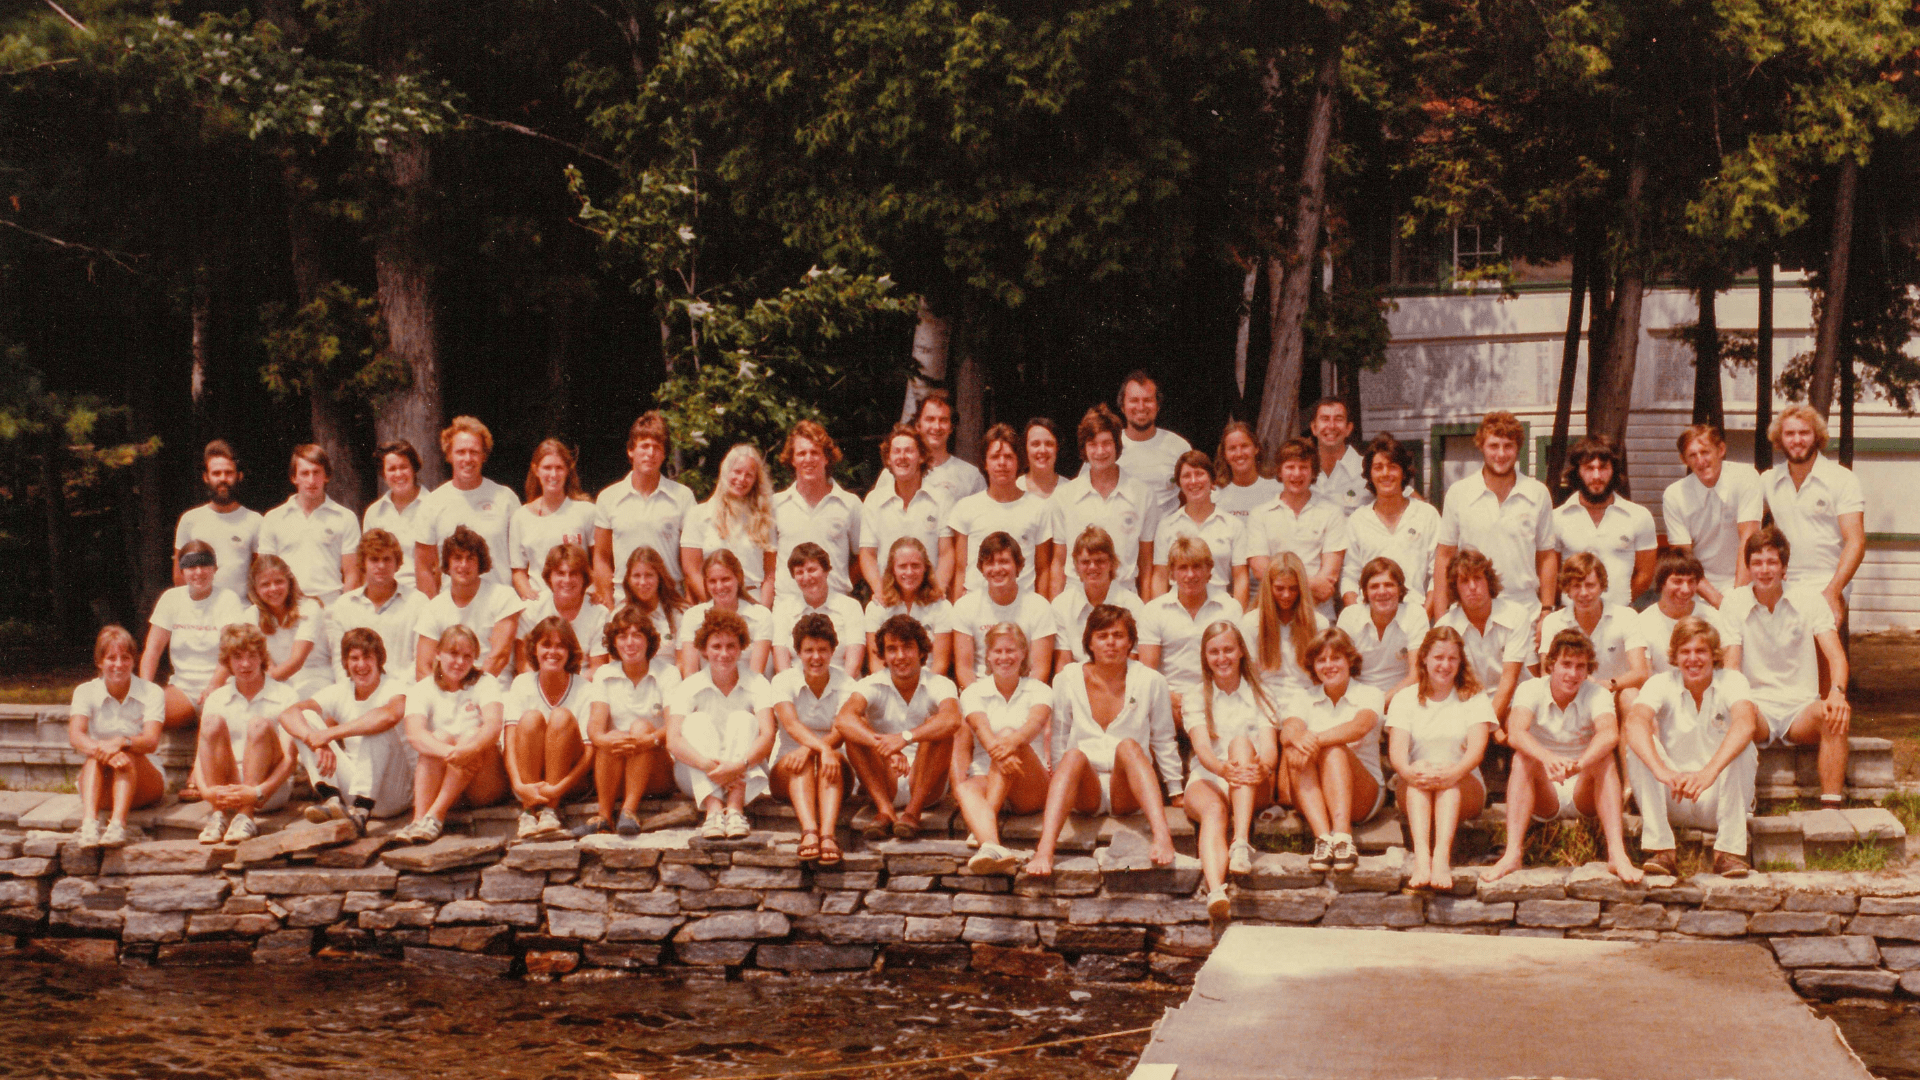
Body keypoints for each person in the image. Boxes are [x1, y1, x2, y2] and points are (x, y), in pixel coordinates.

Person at [1026, 605, 1182, 875]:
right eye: (1102, 635)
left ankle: (1162, 837)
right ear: (1089, 642)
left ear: (1131, 641)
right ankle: (1044, 850)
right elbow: (1060, 735)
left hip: (1128, 787)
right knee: (1073, 754)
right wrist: (1060, 786)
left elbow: (1164, 738)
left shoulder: (1151, 680)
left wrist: (1176, 789)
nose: (1111, 642)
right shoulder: (1067, 679)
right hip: (1086, 789)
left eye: (1118, 635)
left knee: (1129, 746)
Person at [1482, 629, 1641, 884]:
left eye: (1581, 666)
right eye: (1566, 664)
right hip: (1545, 789)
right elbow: (1516, 733)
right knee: (1522, 759)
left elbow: (1609, 734)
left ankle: (1617, 854)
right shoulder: (1530, 688)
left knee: (1604, 759)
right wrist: (1547, 759)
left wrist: (1579, 765)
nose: (1573, 673)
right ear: (1551, 664)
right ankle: (1512, 853)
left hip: (1582, 786)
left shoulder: (1597, 693)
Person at [1721, 526, 1852, 807]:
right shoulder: (1733, 601)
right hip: (1758, 709)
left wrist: (1837, 693)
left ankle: (1831, 808)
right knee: (1735, 716)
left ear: (1784, 567)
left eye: (1772, 562)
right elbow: (1731, 667)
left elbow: (1837, 657)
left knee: (1835, 714)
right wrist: (1739, 705)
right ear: (1748, 567)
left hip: (1800, 708)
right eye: (1756, 563)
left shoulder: (1810, 599)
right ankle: (1736, 808)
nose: (1764, 570)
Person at [1623, 617, 1761, 878]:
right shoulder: (1661, 682)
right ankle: (1662, 849)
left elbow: (1745, 723)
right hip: (1674, 793)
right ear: (1674, 656)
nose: (1693, 659)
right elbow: (1635, 721)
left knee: (1743, 746)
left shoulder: (1733, 681)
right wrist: (1662, 771)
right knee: (1639, 744)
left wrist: (1708, 773)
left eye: (1700, 651)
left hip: (1718, 797)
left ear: (1714, 655)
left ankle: (1728, 853)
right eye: (1685, 652)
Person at [1182, 621, 1281, 919]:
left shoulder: (1261, 694)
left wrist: (1262, 768)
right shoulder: (1195, 696)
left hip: (1252, 779)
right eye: (1214, 652)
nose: (1222, 657)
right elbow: (1202, 750)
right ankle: (1215, 892)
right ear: (1205, 657)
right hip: (1210, 775)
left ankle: (1240, 842)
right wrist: (1224, 771)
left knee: (1240, 743)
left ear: (1240, 652)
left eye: (1228, 649)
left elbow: (1269, 750)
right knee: (1213, 811)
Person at [1386, 627, 1496, 891]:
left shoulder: (1474, 696)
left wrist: (1454, 772)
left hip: (1464, 783)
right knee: (1419, 771)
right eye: (1438, 657)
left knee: (1448, 779)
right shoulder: (1404, 698)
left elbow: (1476, 751)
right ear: (1424, 658)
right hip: (1416, 783)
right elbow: (1397, 754)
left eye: (1452, 659)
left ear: (1460, 662)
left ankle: (1442, 860)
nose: (1445, 665)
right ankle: (1423, 858)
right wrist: (1410, 771)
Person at [834, 614, 961, 840]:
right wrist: (886, 746)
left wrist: (905, 738)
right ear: (883, 654)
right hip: (886, 779)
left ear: (921, 651)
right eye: (892, 649)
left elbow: (952, 720)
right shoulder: (871, 683)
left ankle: (913, 812)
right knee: (855, 730)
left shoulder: (940, 684)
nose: (900, 656)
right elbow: (843, 719)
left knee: (938, 725)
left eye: (907, 647)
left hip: (927, 784)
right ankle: (886, 810)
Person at [278, 627, 413, 833]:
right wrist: (316, 742)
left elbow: (389, 716)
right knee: (306, 717)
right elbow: (287, 714)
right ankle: (332, 798)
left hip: (394, 793)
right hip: (355, 789)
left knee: (376, 727)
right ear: (346, 663)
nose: (361, 665)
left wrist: (330, 734)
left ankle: (361, 813)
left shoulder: (395, 687)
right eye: (354, 658)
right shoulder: (341, 690)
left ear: (379, 660)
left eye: (368, 657)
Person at [1431, 411, 1556, 625]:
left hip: (1525, 611)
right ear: (1481, 446)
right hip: (1470, 610)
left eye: (1508, 446)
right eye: (1493, 445)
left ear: (1518, 449)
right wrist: (1442, 619)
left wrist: (1546, 611)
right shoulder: (1459, 493)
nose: (1501, 453)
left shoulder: (1538, 493)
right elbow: (1444, 556)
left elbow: (1546, 556)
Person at [1278, 629, 1385, 872]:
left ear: (1349, 660)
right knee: (1294, 749)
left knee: (1333, 750)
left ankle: (1343, 837)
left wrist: (1312, 740)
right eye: (1321, 660)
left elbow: (1359, 727)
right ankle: (1324, 839)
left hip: (1362, 793)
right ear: (1313, 666)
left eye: (1336, 658)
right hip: (1314, 795)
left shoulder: (1370, 694)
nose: (1329, 665)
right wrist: (1296, 739)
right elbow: (1288, 732)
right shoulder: (1303, 697)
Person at [667, 609, 778, 840]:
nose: (724, 653)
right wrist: (710, 767)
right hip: (697, 772)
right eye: (716, 646)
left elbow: (767, 735)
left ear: (741, 648)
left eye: (731, 646)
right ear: (704, 650)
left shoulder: (757, 683)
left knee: (744, 719)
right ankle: (714, 811)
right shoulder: (689, 686)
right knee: (697, 721)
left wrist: (738, 766)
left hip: (744, 772)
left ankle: (736, 810)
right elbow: (673, 739)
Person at [397, 624, 511, 844]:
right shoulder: (421, 689)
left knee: (472, 736)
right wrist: (453, 752)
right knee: (437, 738)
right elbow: (415, 734)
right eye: (453, 653)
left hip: (484, 784)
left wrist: (469, 749)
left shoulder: (486, 682)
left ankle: (435, 815)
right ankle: (419, 819)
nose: (460, 662)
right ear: (438, 653)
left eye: (467, 656)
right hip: (449, 778)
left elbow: (493, 726)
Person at [954, 623, 1052, 876]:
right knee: (965, 787)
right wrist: (1001, 752)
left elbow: (1033, 725)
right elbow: (981, 727)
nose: (1004, 657)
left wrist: (1010, 745)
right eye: (997, 651)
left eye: (1011, 650)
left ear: (1022, 654)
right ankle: (992, 847)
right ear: (987, 655)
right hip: (987, 777)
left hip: (1027, 781)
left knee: (1010, 735)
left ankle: (986, 821)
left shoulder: (1040, 690)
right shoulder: (973, 692)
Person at [577, 606, 679, 837]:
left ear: (648, 640)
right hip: (616, 771)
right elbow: (595, 728)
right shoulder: (604, 673)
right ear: (614, 642)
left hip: (657, 771)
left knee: (641, 726)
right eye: (622, 636)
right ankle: (604, 817)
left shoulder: (668, 672)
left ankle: (629, 811)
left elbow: (674, 725)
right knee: (609, 737)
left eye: (637, 635)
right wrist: (607, 740)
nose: (629, 643)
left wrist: (648, 740)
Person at [194, 625, 301, 845]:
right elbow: (200, 755)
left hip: (267, 791)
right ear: (228, 662)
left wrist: (258, 793)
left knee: (258, 725)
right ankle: (218, 816)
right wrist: (207, 793)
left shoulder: (286, 695)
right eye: (237, 657)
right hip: (226, 790)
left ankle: (246, 816)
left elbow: (290, 761)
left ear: (262, 658)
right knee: (212, 723)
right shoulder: (217, 698)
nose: (245, 664)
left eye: (252, 656)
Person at [1761, 404, 1866, 623]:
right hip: (1783, 582)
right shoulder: (1768, 481)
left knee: (1821, 648)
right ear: (1779, 439)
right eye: (1789, 433)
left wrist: (1832, 592)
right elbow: (1744, 527)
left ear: (1816, 437)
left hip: (1827, 581)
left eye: (1804, 433)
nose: (1797, 440)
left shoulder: (1842, 479)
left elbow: (1855, 542)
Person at [68, 626, 166, 848]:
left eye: (125, 657)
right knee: (94, 756)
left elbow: (151, 741)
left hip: (145, 782)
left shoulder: (152, 692)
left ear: (133, 661)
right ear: (100, 662)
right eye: (111, 658)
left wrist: (122, 742)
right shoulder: (85, 691)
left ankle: (117, 826)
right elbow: (76, 735)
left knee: (126, 756)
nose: (118, 664)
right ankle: (90, 824)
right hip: (100, 782)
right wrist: (106, 752)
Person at [769, 613, 855, 864]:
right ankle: (809, 832)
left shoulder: (847, 683)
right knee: (802, 762)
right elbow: (790, 723)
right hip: (789, 768)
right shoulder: (783, 680)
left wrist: (812, 750)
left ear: (832, 651)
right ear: (797, 652)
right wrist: (818, 750)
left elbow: (842, 729)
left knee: (825, 759)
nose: (816, 657)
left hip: (832, 767)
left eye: (822, 650)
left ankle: (827, 835)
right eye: (808, 650)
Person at [1051, 404, 1160, 597]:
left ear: (1117, 445)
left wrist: (1145, 612)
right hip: (1077, 595)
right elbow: (1058, 562)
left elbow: (1146, 564)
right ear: (1084, 448)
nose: (1100, 451)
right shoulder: (1064, 496)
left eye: (1106, 443)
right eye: (1092, 444)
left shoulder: (1143, 495)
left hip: (1124, 596)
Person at [503, 616, 596, 841]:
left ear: (570, 651)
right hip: (530, 781)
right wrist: (518, 785)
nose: (552, 652)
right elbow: (509, 744)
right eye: (546, 644)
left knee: (561, 716)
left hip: (570, 783)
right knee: (531, 718)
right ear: (534, 648)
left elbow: (590, 753)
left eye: (560, 646)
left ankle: (550, 811)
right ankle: (528, 812)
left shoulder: (585, 689)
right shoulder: (521, 683)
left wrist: (557, 789)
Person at [592, 412, 697, 604]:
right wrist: (608, 606)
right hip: (624, 602)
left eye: (657, 448)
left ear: (664, 454)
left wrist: (688, 606)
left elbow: (691, 563)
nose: (650, 453)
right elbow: (601, 558)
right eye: (644, 446)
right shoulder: (608, 498)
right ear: (631, 451)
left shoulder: (683, 497)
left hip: (671, 602)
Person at [141, 541, 248, 728]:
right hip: (182, 689)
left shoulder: (228, 599)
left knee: (213, 724)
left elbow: (230, 650)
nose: (198, 572)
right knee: (142, 715)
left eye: (204, 565)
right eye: (191, 566)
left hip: (222, 687)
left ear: (215, 568)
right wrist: (144, 690)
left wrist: (213, 686)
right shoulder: (170, 599)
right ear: (182, 571)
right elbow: (152, 651)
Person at [1139, 536, 1243, 722]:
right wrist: (1168, 698)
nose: (1190, 575)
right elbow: (1148, 672)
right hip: (1169, 701)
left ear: (1209, 570)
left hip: (1216, 698)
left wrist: (1205, 699)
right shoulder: (1153, 611)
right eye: (1183, 567)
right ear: (1172, 572)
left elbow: (1238, 665)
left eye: (1197, 567)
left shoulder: (1230, 608)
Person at [949, 423, 1058, 600]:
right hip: (977, 607)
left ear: (1018, 461)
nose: (1002, 463)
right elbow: (960, 570)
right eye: (995, 457)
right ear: (984, 462)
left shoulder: (1039, 508)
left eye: (1009, 456)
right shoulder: (965, 507)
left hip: (1023, 608)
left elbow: (1043, 569)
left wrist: (1041, 612)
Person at [415, 416, 521, 596]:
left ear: (484, 455)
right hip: (454, 608)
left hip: (500, 606)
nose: (467, 458)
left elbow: (521, 563)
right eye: (460, 452)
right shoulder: (432, 503)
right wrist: (434, 610)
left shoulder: (506, 499)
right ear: (449, 455)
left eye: (474, 452)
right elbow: (423, 566)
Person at [1246, 437, 1348, 618]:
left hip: (1318, 615)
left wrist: (1285, 585)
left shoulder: (1332, 513)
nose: (1296, 474)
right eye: (1290, 467)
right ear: (1280, 471)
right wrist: (1309, 586)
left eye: (1303, 467)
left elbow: (1328, 579)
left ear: (1313, 472)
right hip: (1273, 615)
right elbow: (1260, 570)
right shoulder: (1259, 515)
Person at [1662, 424, 1763, 606]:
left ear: (1721, 450)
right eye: (1692, 455)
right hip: (1698, 585)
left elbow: (1749, 540)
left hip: (1747, 581)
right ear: (1683, 459)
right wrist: (1720, 602)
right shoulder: (1674, 495)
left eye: (1705, 452)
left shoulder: (1746, 477)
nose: (1700, 461)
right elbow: (1685, 559)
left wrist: (1738, 598)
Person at [1550, 435, 1656, 607]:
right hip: (1571, 620)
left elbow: (1645, 575)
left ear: (1614, 470)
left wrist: (1617, 606)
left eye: (1603, 467)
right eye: (1589, 468)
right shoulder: (1557, 518)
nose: (1596, 476)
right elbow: (1550, 574)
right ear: (1577, 471)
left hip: (1621, 618)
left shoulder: (1639, 516)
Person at [1538, 553, 1650, 714]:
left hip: (1615, 695)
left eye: (1590, 585)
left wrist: (1605, 685)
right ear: (1567, 589)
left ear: (1602, 586)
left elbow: (1641, 673)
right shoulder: (1553, 622)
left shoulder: (1627, 616)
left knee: (1631, 696)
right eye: (1576, 586)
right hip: (1571, 699)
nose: (1584, 593)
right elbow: (1546, 673)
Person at [1340, 433, 1440, 609]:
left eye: (1392, 466)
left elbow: (1439, 576)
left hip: (1415, 616)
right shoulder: (1358, 521)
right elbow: (1349, 577)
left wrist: (1423, 619)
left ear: (1403, 472)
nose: (1385, 473)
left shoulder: (1427, 515)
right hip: (1369, 619)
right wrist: (1356, 618)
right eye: (1378, 467)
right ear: (1369, 474)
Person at [1433, 549, 1534, 722]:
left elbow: (1509, 680)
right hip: (1468, 708)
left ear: (1488, 581)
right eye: (1464, 581)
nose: (1472, 587)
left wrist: (1488, 726)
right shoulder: (1445, 627)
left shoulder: (1516, 614)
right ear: (1455, 588)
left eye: (1478, 578)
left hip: (1514, 705)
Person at [414, 526, 524, 685]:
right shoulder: (432, 609)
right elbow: (423, 668)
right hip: (446, 694)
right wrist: (443, 695)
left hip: (493, 689)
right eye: (457, 558)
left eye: (470, 558)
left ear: (480, 563)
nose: (463, 565)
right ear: (448, 563)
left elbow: (499, 657)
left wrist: (471, 693)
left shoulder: (503, 597)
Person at [256, 444, 361, 606]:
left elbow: (352, 573)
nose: (311, 480)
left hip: (331, 605)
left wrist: (343, 610)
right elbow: (265, 571)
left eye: (316, 472)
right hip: (288, 606)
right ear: (294, 477)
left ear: (326, 476)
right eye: (305, 473)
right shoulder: (273, 519)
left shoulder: (345, 518)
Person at [772, 421, 864, 604]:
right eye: (801, 453)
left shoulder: (849, 504)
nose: (808, 459)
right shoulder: (775, 505)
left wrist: (841, 586)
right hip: (788, 607)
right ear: (792, 459)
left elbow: (864, 556)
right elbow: (768, 563)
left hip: (836, 606)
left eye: (815, 452)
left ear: (826, 458)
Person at [861, 423, 957, 597]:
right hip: (888, 598)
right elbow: (867, 554)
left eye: (909, 451)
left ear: (921, 456)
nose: (902, 457)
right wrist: (880, 591)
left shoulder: (942, 499)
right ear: (888, 459)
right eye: (896, 451)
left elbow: (946, 553)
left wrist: (938, 590)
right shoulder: (873, 501)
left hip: (928, 599)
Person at [952, 533, 1057, 688]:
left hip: (1026, 691)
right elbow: (964, 669)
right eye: (989, 563)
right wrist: (977, 703)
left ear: (1018, 566)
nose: (997, 569)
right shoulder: (964, 606)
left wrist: (1023, 701)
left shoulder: (1039, 607)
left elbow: (1040, 670)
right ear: (982, 568)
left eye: (1004, 562)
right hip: (980, 690)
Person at [681, 443, 778, 606]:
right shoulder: (698, 515)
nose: (741, 479)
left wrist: (763, 612)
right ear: (725, 472)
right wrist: (718, 606)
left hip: (753, 603)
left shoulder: (764, 518)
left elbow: (770, 574)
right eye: (737, 472)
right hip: (712, 603)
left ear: (756, 480)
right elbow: (692, 571)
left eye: (749, 475)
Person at [326, 529, 428, 683]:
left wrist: (396, 692)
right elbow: (339, 661)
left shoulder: (418, 602)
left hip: (403, 691)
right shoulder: (344, 605)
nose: (381, 566)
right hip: (357, 691)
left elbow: (421, 660)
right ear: (363, 563)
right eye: (374, 559)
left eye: (387, 559)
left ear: (397, 563)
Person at [1152, 449, 1249, 606]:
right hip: (1177, 610)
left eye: (1199, 474)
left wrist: (1237, 618)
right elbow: (1160, 577)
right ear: (1179, 483)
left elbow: (1240, 578)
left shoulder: (1233, 525)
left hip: (1220, 610)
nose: (1193, 481)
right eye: (1186, 476)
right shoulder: (1167, 526)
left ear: (1212, 481)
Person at [508, 438, 597, 602]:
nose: (553, 475)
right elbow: (518, 570)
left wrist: (594, 592)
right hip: (540, 605)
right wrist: (530, 597)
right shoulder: (520, 517)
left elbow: (599, 561)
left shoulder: (586, 511)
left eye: (559, 468)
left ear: (568, 470)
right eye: (547, 468)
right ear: (536, 470)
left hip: (579, 602)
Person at [173, 439, 263, 600]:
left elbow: (260, 574)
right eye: (216, 473)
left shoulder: (255, 521)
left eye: (228, 473)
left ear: (239, 475)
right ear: (206, 477)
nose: (223, 478)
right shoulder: (190, 520)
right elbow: (179, 577)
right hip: (200, 615)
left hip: (240, 614)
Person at [870, 389, 987, 508]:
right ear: (918, 425)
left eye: (943, 420)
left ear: (951, 427)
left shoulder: (971, 477)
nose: (936, 427)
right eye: (930, 419)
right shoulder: (893, 473)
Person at [240, 554, 333, 699]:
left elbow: (296, 661)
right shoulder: (251, 615)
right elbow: (266, 664)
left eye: (279, 582)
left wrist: (256, 687)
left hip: (315, 679)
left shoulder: (309, 608)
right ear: (255, 589)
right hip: (276, 682)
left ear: (289, 582)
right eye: (265, 584)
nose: (273, 589)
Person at [1051, 526, 1145, 669]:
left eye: (1100, 561)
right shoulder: (1062, 605)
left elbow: (1132, 662)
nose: (1093, 567)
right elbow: (1063, 666)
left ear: (1112, 563)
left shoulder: (1132, 605)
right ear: (1076, 565)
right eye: (1085, 562)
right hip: (1079, 684)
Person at [1335, 557, 1426, 698]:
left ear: (1400, 589)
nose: (1382, 592)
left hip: (1403, 697)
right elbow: (1340, 673)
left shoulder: (1415, 614)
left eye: (1389, 585)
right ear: (1364, 592)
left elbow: (1416, 676)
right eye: (1374, 586)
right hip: (1357, 698)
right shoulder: (1350, 616)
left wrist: (1381, 703)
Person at [1635, 552, 1736, 677]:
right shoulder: (1642, 622)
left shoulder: (1712, 617)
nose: (1685, 589)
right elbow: (1645, 676)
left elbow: (1729, 663)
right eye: (1677, 582)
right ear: (1661, 583)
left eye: (1691, 581)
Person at [865, 537, 954, 677]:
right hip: (889, 684)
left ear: (925, 568)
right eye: (902, 566)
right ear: (892, 569)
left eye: (915, 565)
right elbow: (876, 664)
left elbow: (940, 665)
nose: (909, 572)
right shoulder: (877, 607)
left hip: (929, 682)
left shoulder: (941, 606)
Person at [1241, 553, 1326, 700]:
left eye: (1293, 588)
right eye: (1279, 588)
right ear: (1269, 586)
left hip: (1307, 697)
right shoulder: (1250, 622)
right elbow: (1249, 676)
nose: (1286, 595)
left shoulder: (1319, 623)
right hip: (1265, 697)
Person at [771, 543, 866, 673]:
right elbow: (781, 667)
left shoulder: (850, 607)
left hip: (842, 686)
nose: (806, 577)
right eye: (799, 572)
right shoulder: (783, 610)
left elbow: (853, 666)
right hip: (797, 687)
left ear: (826, 571)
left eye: (811, 570)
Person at [677, 550, 774, 678]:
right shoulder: (693, 616)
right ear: (705, 583)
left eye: (725, 579)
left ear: (738, 578)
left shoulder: (761, 615)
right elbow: (690, 674)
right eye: (712, 581)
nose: (719, 586)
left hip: (749, 692)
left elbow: (756, 674)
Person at [517, 543, 610, 673]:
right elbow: (523, 663)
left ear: (584, 578)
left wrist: (566, 687)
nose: (567, 580)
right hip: (539, 683)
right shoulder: (532, 609)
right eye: (560, 573)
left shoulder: (600, 613)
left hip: (582, 685)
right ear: (549, 576)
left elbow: (597, 668)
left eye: (573, 574)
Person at [1114, 370, 1192, 520]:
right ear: (1122, 406)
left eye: (1148, 400)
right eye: (1134, 400)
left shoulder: (1179, 447)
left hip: (1167, 539)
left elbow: (1191, 496)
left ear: (1158, 406)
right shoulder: (1107, 447)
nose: (1141, 407)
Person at [364, 440, 428, 591]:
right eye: (392, 469)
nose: (398, 474)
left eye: (403, 467)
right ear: (383, 474)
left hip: (424, 594)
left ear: (413, 469)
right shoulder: (374, 513)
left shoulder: (432, 506)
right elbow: (367, 564)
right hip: (384, 593)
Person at [614, 545, 686, 660]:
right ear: (628, 579)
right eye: (636, 576)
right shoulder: (618, 614)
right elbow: (613, 661)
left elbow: (682, 663)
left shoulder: (678, 613)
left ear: (659, 577)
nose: (642, 582)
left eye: (649, 575)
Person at [1307, 397, 1370, 514]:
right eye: (1325, 419)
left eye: (1338, 419)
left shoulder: (1368, 468)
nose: (1331, 426)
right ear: (1314, 428)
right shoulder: (1300, 471)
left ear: (1348, 429)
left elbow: (1410, 502)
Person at [1213, 420, 1281, 519]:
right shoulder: (1215, 495)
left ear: (1256, 448)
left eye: (1244, 446)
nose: (1239, 453)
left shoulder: (1277, 491)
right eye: (1232, 448)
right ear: (1224, 454)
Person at [1016, 418, 1064, 499]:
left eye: (1049, 444)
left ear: (1057, 448)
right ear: (1025, 448)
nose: (1043, 450)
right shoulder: (1015, 488)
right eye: (1035, 444)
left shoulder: (1070, 490)